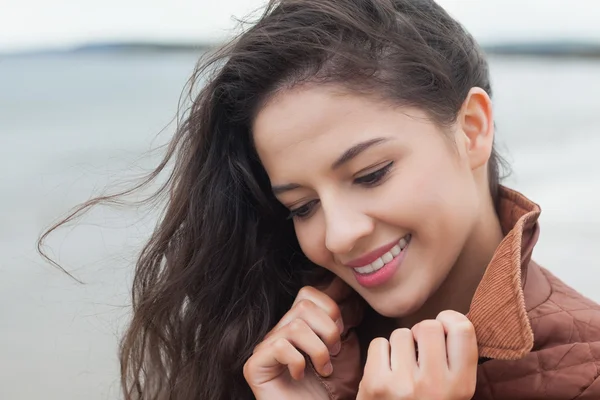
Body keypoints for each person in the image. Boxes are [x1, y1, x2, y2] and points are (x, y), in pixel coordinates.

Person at [41, 0, 600, 399]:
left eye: (371, 173)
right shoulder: (301, 351)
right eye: (301, 207)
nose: (337, 235)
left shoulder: (584, 368)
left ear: (472, 129)